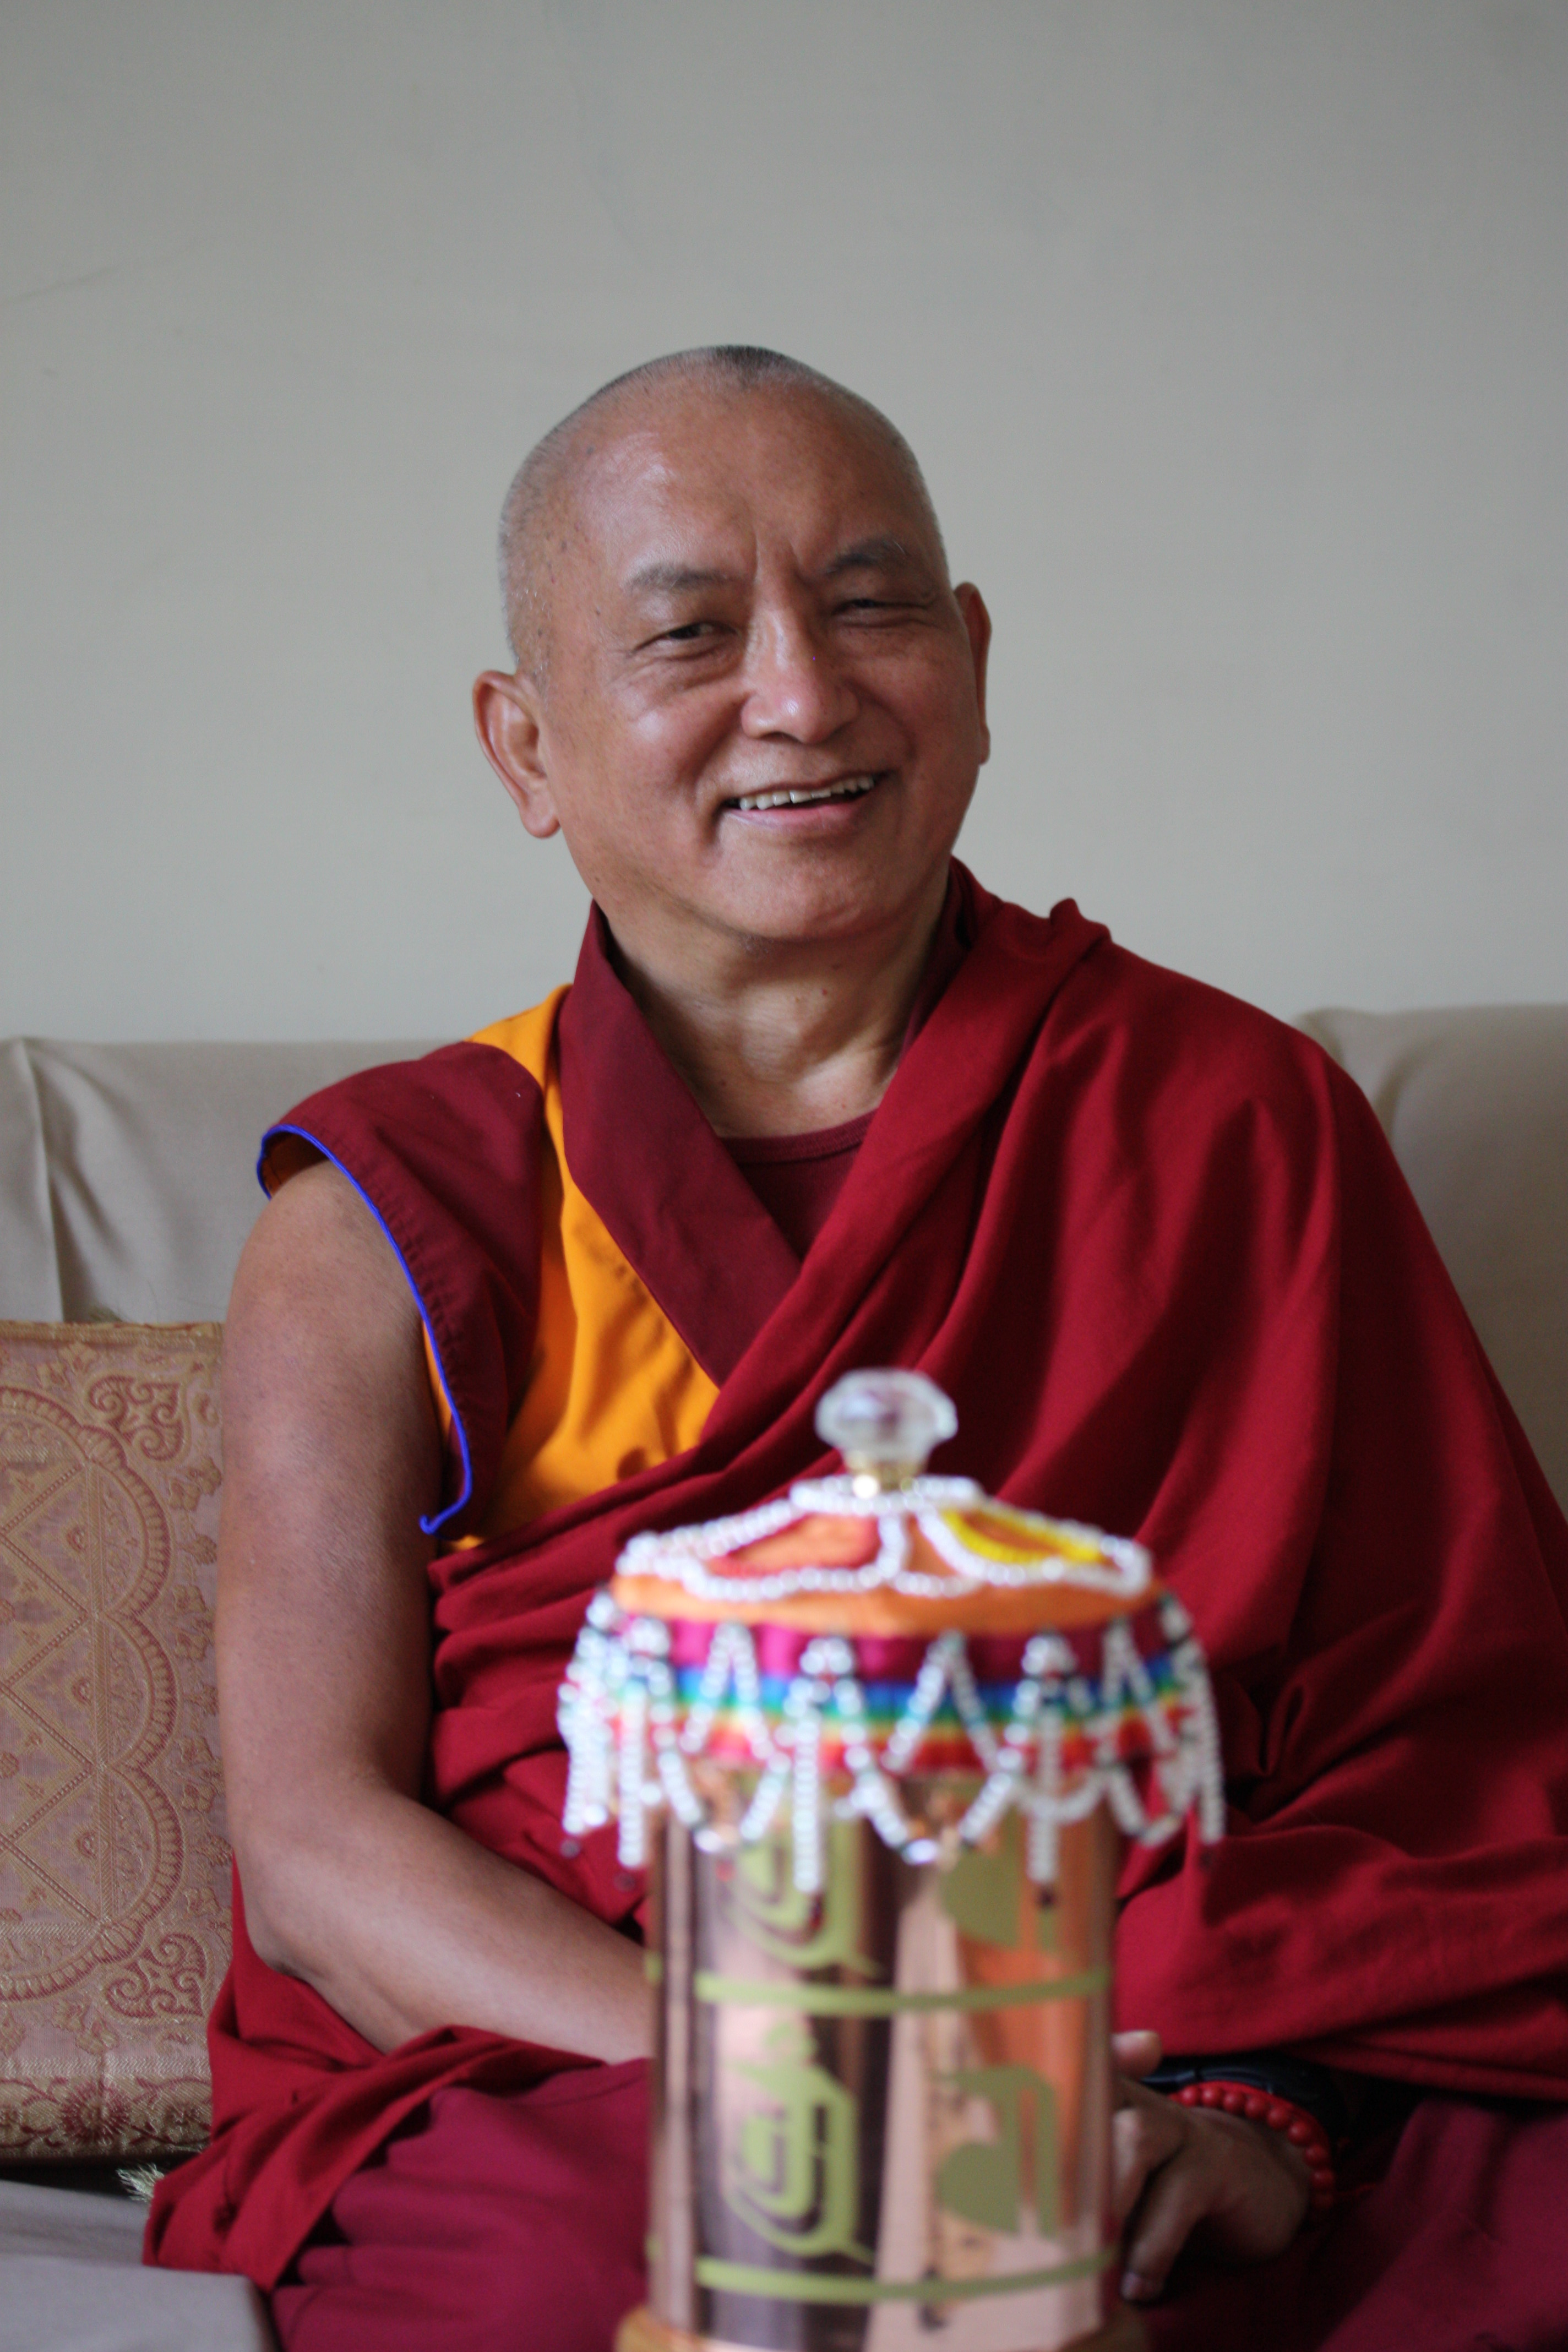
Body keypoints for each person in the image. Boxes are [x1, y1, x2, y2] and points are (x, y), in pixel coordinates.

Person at [147, 348, 1568, 2351]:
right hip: (600, 2058)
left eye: (872, 603)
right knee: (674, 2279)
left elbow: (1467, 1748)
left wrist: (1260, 2113)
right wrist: (840, 2102)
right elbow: (315, 1848)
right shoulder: (393, 1211)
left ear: (973, 666)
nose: (804, 693)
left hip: (1179, 2039)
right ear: (526, 746)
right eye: (693, 633)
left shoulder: (1231, 1119)